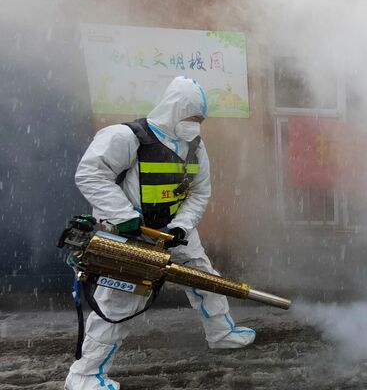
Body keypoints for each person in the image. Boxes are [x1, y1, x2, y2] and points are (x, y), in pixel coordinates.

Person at [65, 76, 255, 390]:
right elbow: (90, 174)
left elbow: (198, 192)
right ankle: (84, 374)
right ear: (173, 109)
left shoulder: (196, 146)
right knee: (118, 304)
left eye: (200, 119)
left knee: (206, 280)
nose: (195, 124)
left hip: (173, 231)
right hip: (131, 237)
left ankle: (221, 334)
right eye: (191, 116)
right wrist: (123, 216)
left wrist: (182, 225)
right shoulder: (127, 138)